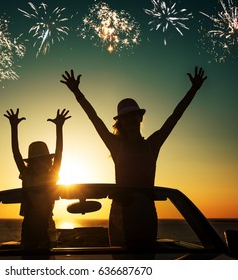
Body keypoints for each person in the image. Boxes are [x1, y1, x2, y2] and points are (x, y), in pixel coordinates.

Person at [60, 67, 207, 251]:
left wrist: (193, 90)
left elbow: (174, 117)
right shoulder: (115, 145)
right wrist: (77, 92)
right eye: (125, 116)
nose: (129, 119)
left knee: (146, 258)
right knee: (122, 261)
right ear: (120, 121)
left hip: (146, 209)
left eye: (133, 115)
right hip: (120, 212)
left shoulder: (153, 144)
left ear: (140, 117)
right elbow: (94, 118)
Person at [4, 108, 71, 249]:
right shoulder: (27, 176)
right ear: (31, 163)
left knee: (49, 255)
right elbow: (16, 154)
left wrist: (59, 127)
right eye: (36, 161)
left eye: (44, 160)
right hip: (29, 223)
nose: (40, 163)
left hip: (47, 222)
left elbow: (59, 153)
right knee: (28, 255)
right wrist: (13, 127)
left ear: (49, 162)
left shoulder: (52, 175)